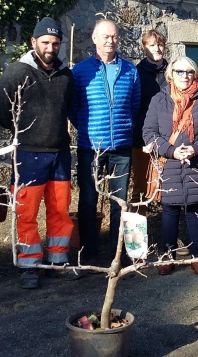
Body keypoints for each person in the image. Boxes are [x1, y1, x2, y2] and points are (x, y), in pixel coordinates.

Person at [0, 17, 76, 289]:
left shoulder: (66, 75)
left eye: (55, 43)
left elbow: (69, 109)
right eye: (45, 42)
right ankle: (29, 264)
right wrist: (26, 132)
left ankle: (58, 260)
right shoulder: (17, 71)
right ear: (33, 42)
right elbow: (1, 112)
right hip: (28, 154)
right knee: (26, 211)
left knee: (60, 210)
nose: (51, 47)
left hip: (60, 152)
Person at [70, 19, 141, 265]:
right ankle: (89, 253)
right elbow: (73, 107)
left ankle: (117, 252)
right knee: (88, 199)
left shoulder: (130, 70)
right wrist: (89, 129)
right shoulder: (79, 71)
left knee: (119, 200)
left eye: (114, 36)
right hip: (91, 147)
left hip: (121, 146)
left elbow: (134, 104)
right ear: (94, 38)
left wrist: (124, 128)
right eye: (105, 36)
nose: (110, 41)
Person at [143, 56, 198, 276]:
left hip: (196, 163)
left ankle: (197, 256)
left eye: (189, 72)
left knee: (195, 209)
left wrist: (196, 148)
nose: (185, 76)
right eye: (179, 72)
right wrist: (171, 150)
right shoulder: (159, 100)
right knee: (170, 210)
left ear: (194, 75)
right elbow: (148, 133)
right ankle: (168, 256)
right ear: (170, 75)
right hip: (169, 164)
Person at [131, 29, 169, 204]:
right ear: (144, 47)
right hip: (141, 139)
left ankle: (168, 231)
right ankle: (137, 232)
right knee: (140, 187)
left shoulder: (173, 73)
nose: (157, 48)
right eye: (152, 45)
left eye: (160, 44)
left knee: (167, 188)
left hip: (168, 138)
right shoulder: (135, 73)